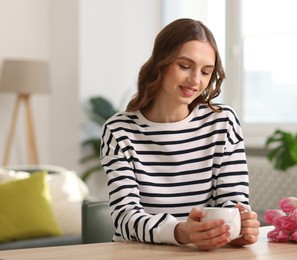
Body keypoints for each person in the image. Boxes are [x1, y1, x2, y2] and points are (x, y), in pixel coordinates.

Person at [100, 18, 260, 251]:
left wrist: (239, 226)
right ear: (160, 64)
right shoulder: (119, 131)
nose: (196, 81)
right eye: (185, 66)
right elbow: (125, 217)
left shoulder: (223, 122)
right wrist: (183, 231)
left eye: (206, 72)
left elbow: (233, 203)